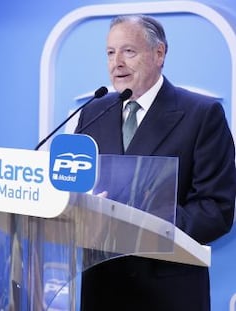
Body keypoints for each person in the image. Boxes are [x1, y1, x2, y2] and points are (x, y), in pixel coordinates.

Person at [75, 14, 236, 311]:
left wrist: (144, 220)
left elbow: (216, 210)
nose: (117, 62)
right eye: (110, 53)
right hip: (101, 286)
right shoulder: (93, 112)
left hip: (167, 290)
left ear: (159, 53)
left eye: (128, 51)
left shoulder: (202, 114)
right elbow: (79, 186)